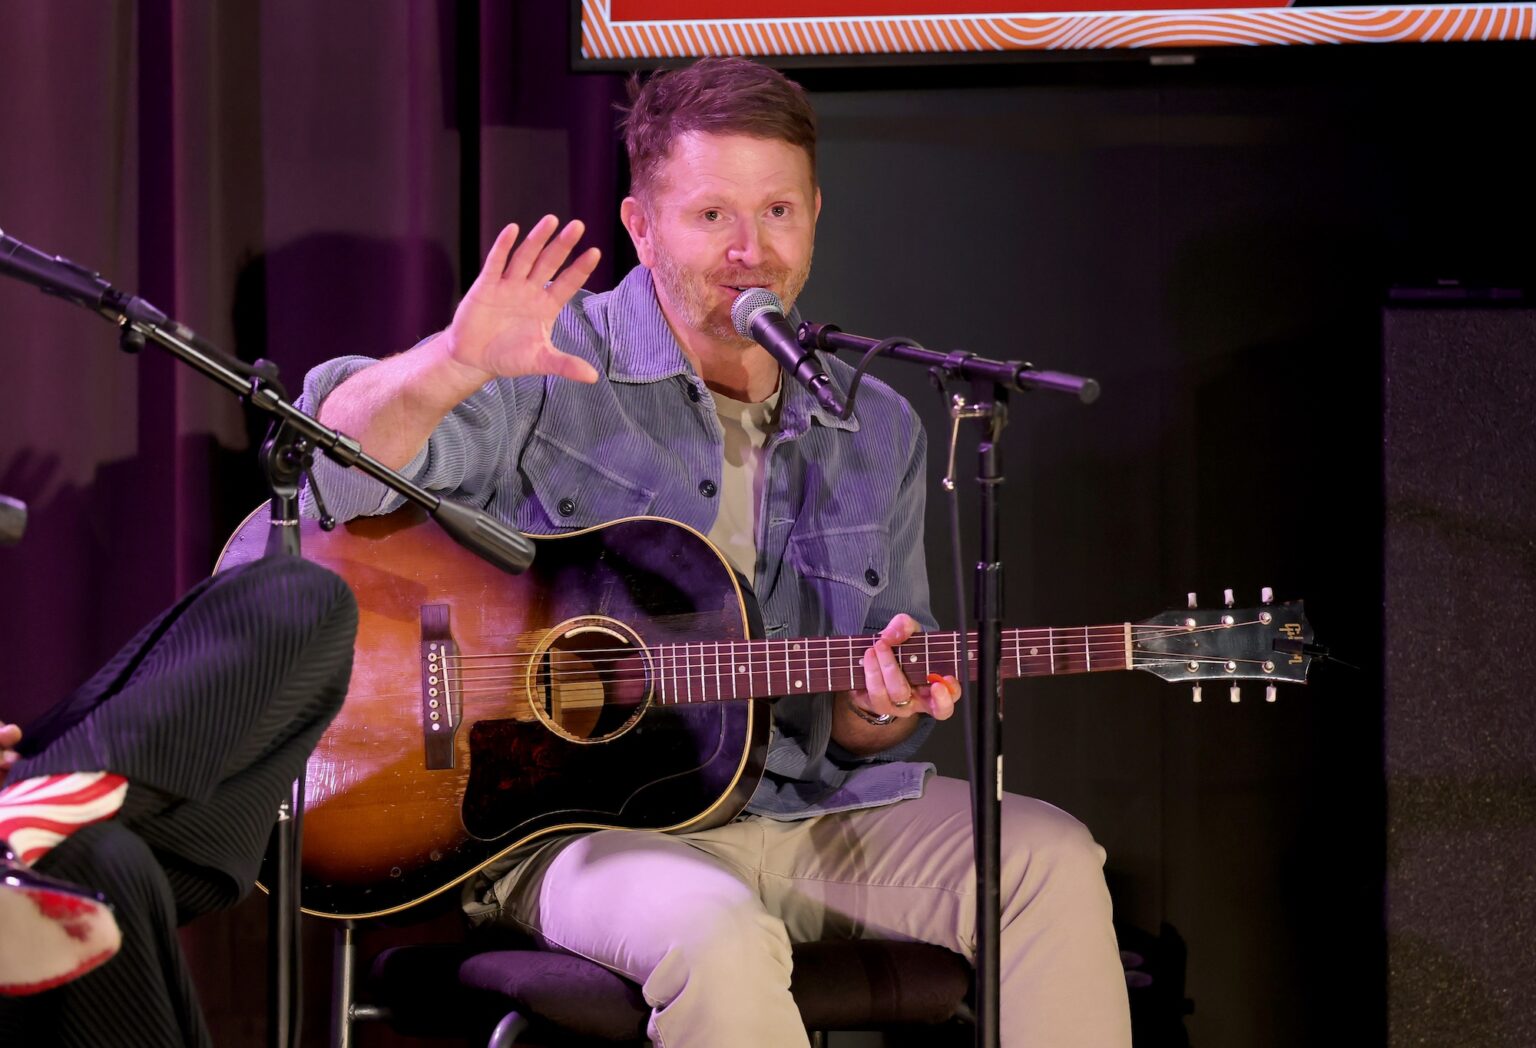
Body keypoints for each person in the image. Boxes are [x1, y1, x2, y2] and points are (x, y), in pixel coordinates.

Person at [302, 56, 1131, 1047]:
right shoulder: (553, 361)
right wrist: (454, 361)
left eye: (778, 211)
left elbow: (876, 722)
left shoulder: (877, 426)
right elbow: (326, 476)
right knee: (721, 937)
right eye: (711, 217)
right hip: (585, 833)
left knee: (1053, 861)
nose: (751, 251)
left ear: (816, 213)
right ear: (640, 227)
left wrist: (876, 702)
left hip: (808, 810)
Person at [0, 555, 358, 1046]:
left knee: (301, 595)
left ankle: (30, 815)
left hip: (29, 780)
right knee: (103, 863)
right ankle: (32, 823)